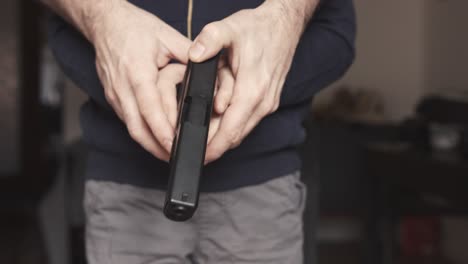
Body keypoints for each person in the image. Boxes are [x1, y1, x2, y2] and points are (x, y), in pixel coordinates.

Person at [40, 0, 356, 263]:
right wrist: (102, 17)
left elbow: (337, 34)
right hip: (125, 191)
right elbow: (61, 28)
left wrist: (280, 28)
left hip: (262, 193)